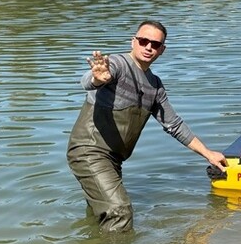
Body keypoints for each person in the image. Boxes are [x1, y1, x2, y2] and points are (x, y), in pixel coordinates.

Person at [67, 20, 227, 233]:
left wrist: (208, 154)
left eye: (155, 44)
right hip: (89, 151)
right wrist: (98, 79)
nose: (149, 47)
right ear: (133, 41)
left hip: (113, 160)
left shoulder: (155, 86)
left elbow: (174, 125)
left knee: (100, 213)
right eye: (143, 41)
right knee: (119, 211)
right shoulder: (117, 64)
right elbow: (89, 80)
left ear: (162, 50)